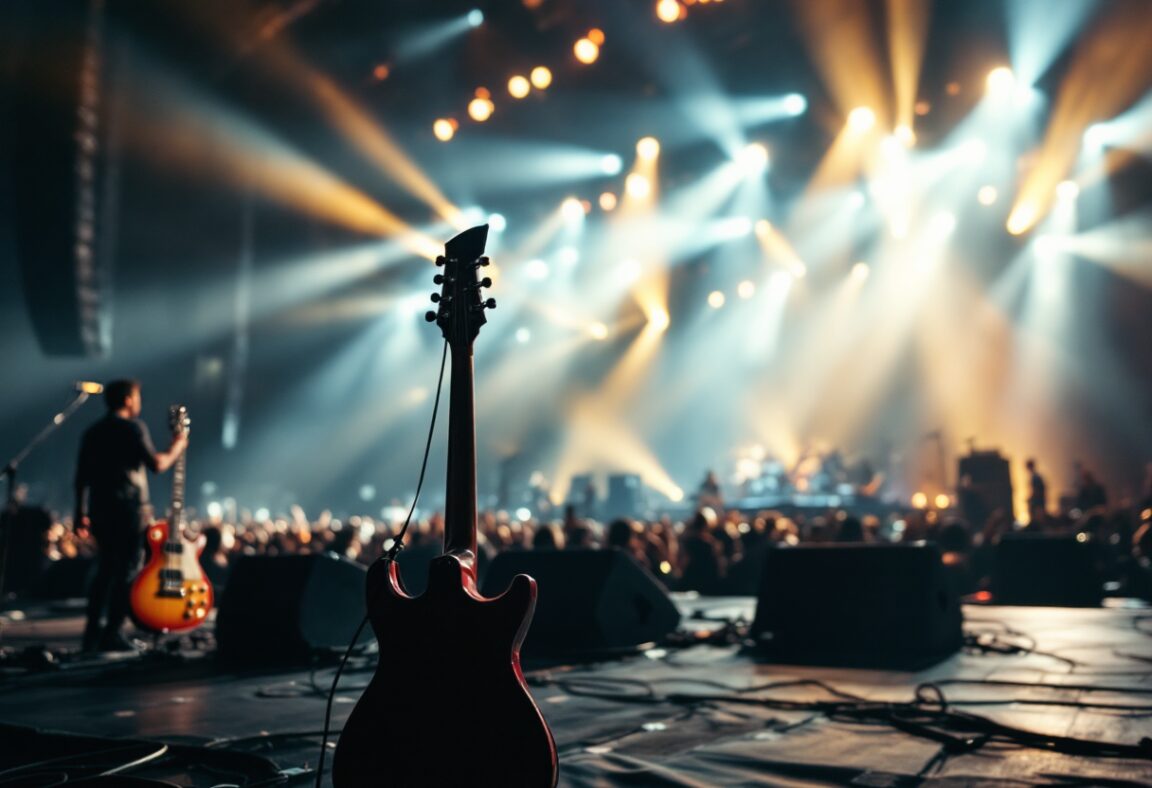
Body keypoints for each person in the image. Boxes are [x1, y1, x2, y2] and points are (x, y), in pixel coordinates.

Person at [74, 379, 187, 652]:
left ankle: (92, 634)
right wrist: (178, 446)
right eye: (137, 397)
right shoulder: (133, 428)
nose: (139, 403)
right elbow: (157, 464)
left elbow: (81, 478)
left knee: (104, 570)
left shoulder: (93, 432)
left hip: (101, 511)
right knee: (126, 573)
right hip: (130, 512)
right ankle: (112, 633)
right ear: (127, 399)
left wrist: (80, 512)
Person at [1025, 458, 1047, 525]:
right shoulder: (1036, 476)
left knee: (1037, 519)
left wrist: (1031, 499)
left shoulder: (1035, 477)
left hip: (1037, 502)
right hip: (1039, 501)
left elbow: (1036, 490)